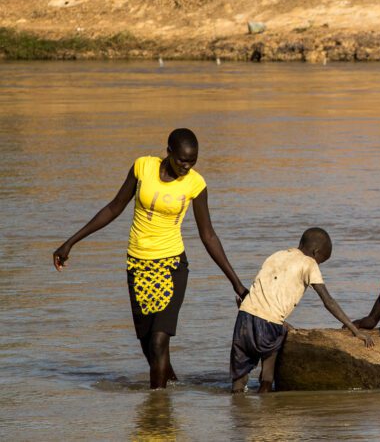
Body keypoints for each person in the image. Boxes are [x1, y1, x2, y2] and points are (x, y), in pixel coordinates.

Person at [52, 128, 248, 389]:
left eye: (192, 161)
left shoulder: (195, 184)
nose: (187, 166)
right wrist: (70, 242)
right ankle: (171, 389)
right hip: (138, 266)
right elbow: (113, 208)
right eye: (182, 160)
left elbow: (208, 235)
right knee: (149, 347)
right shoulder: (142, 167)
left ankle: (156, 405)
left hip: (171, 266)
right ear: (168, 152)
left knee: (158, 342)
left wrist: (237, 284)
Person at [231, 227, 374, 393]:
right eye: (321, 261)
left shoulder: (277, 255)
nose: (318, 265)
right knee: (268, 375)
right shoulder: (309, 263)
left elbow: (264, 293)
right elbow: (328, 301)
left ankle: (237, 405)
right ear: (316, 252)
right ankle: (265, 403)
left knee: (238, 377)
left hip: (244, 315)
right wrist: (355, 330)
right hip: (269, 324)